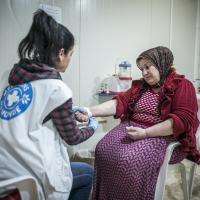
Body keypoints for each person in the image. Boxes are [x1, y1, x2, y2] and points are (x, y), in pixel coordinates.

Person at [74, 46, 200, 200]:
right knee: (102, 150)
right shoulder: (140, 86)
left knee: (130, 161)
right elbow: (118, 103)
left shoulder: (183, 85)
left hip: (164, 134)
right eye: (141, 69)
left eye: (148, 67)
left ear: (161, 63)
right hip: (134, 128)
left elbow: (181, 121)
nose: (144, 73)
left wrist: (146, 133)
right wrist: (89, 111)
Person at [0, 9, 98, 200]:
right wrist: (92, 126)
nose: (70, 59)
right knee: (87, 173)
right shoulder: (57, 88)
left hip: (5, 173)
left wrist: (66, 111)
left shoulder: (9, 77)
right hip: (34, 176)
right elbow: (73, 137)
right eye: (71, 54)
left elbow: (28, 113)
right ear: (61, 53)